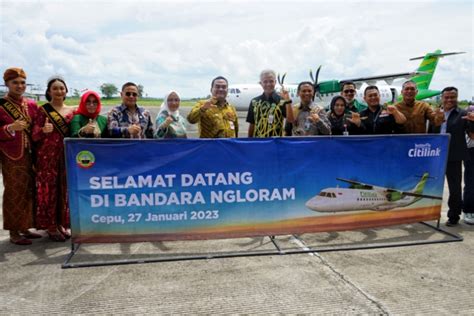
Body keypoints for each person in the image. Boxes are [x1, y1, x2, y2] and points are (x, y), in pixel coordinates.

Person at [0, 67, 42, 245]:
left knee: (30, 190)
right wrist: (9, 128)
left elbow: (37, 128)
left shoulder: (31, 105)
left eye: (22, 83)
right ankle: (14, 231)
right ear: (7, 84)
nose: (19, 86)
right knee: (14, 192)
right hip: (11, 156)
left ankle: (25, 226)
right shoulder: (2, 105)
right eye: (15, 83)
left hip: (31, 154)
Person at [32, 75, 75, 241]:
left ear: (66, 91)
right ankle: (51, 226)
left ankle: (62, 224)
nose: (58, 91)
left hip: (66, 156)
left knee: (64, 190)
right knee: (48, 191)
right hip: (47, 157)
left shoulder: (73, 111)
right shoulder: (43, 111)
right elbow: (33, 135)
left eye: (61, 88)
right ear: (49, 91)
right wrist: (43, 130)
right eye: (55, 88)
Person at [428, 87, 474, 226]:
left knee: (454, 188)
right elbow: (430, 133)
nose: (449, 100)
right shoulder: (435, 113)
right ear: (441, 98)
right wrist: (436, 120)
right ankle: (426, 213)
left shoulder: (463, 113)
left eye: (452, 97)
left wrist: (473, 122)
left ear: (457, 97)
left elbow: (471, 134)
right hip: (435, 154)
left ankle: (454, 216)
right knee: (430, 185)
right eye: (446, 97)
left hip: (453, 156)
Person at [246, 69, 295, 137]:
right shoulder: (254, 102)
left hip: (276, 143)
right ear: (261, 83)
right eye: (265, 82)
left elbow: (291, 120)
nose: (268, 84)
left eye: (271, 81)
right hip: (259, 142)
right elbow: (252, 124)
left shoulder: (282, 101)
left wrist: (288, 100)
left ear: (275, 82)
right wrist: (249, 142)